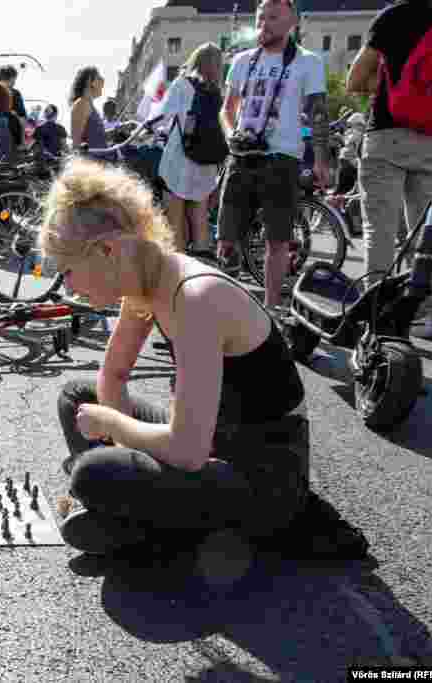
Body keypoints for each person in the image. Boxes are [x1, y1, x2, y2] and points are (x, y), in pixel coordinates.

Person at [40, 158, 309, 556]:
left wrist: (113, 428)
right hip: (211, 438)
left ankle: (130, 517)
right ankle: (131, 512)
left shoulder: (195, 298)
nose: (67, 285)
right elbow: (113, 374)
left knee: (94, 472)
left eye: (67, 270)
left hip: (261, 473)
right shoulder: (143, 277)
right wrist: (119, 444)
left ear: (108, 249)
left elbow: (187, 449)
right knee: (77, 398)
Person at [346, 0, 432, 338]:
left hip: (387, 136)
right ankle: (422, 313)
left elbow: (354, 79)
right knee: (429, 232)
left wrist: (385, 85)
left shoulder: (395, 16)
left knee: (381, 229)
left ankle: (378, 313)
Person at [217, 0, 330, 309]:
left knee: (276, 241)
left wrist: (320, 160)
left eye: (273, 17)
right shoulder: (242, 60)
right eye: (260, 18)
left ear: (292, 20)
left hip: (282, 159)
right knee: (226, 240)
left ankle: (270, 310)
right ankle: (227, 310)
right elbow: (227, 110)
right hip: (241, 158)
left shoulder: (308, 62)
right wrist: (231, 136)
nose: (264, 24)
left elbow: (318, 113)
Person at [155, 43, 224, 255]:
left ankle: (179, 267)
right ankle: (202, 260)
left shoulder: (182, 83)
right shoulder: (216, 92)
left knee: (174, 217)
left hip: (180, 156)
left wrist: (150, 128)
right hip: (207, 161)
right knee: (199, 215)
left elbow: (162, 116)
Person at [69, 66, 107, 150]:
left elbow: (94, 135)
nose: (103, 80)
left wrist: (114, 131)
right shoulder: (82, 104)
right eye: (99, 78)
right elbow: (76, 143)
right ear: (90, 81)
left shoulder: (89, 105)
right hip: (93, 161)